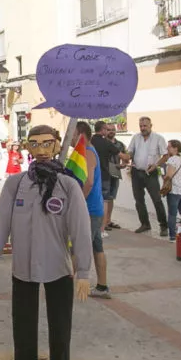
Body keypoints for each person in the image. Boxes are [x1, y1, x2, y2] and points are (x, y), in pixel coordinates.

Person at [0, 124, 93, 360]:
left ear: (58, 145)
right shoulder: (16, 184)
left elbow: (81, 230)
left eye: (48, 143)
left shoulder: (68, 185)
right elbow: (0, 227)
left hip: (59, 267)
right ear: (27, 148)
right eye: (35, 144)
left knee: (61, 325)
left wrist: (83, 270)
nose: (42, 150)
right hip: (23, 267)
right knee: (23, 326)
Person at [74, 121, 111, 299]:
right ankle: (102, 287)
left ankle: (65, 284)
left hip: (89, 209)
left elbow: (88, 182)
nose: (71, 139)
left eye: (73, 135)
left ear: (81, 134)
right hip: (95, 208)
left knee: (79, 247)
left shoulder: (88, 152)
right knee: (97, 247)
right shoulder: (89, 150)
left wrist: (77, 201)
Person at [125, 117, 168, 236]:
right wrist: (126, 158)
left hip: (151, 173)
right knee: (139, 200)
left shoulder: (158, 138)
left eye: (145, 126)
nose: (143, 128)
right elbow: (130, 152)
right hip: (136, 172)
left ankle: (163, 226)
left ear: (150, 126)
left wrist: (156, 165)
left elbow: (165, 156)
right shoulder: (136, 137)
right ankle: (145, 224)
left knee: (157, 200)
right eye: (141, 126)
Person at [92, 121, 127, 231]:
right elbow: (123, 156)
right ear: (102, 130)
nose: (108, 131)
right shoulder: (106, 143)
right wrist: (129, 156)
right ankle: (102, 228)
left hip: (92, 174)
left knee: (94, 199)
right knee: (105, 200)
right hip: (105, 175)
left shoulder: (90, 141)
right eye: (107, 129)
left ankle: (94, 225)